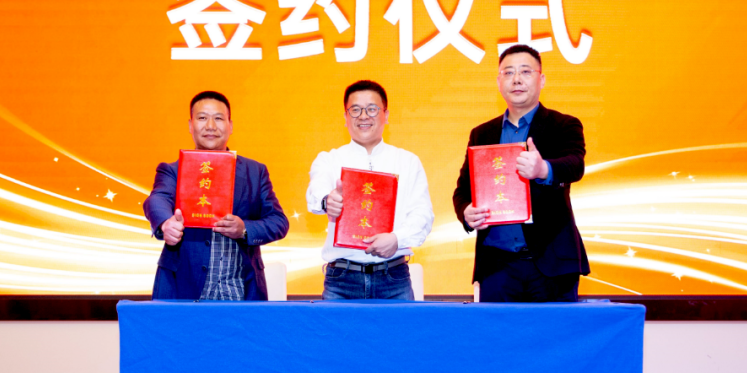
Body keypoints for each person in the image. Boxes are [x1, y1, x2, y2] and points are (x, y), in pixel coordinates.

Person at [452, 44, 590, 302]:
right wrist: (466, 213)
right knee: (497, 330)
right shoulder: (482, 133)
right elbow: (463, 191)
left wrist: (543, 169)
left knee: (554, 330)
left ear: (541, 79)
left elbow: (575, 165)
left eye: (525, 71)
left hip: (551, 265)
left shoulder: (564, 125)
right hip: (497, 266)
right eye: (508, 72)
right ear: (499, 81)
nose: (516, 79)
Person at [143, 91, 289, 300]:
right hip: (184, 290)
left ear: (230, 126)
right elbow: (157, 199)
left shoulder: (255, 172)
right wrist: (166, 223)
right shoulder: (173, 170)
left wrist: (244, 229)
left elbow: (278, 222)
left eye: (218, 118)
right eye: (202, 118)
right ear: (190, 125)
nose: (210, 126)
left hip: (240, 292)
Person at [306, 80, 434, 300]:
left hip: (394, 279)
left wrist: (397, 239)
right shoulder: (329, 159)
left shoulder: (407, 161)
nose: (363, 116)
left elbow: (423, 215)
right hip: (341, 281)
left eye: (372, 109)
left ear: (386, 115)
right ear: (345, 117)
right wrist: (328, 201)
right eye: (355, 110)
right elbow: (316, 191)